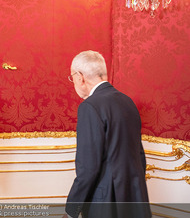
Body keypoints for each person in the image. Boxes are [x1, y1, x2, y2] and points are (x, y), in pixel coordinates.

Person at [65, 51, 151, 218]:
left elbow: (88, 168)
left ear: (80, 77)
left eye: (72, 77)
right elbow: (139, 155)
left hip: (106, 201)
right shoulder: (128, 101)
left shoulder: (90, 106)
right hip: (135, 194)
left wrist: (71, 209)